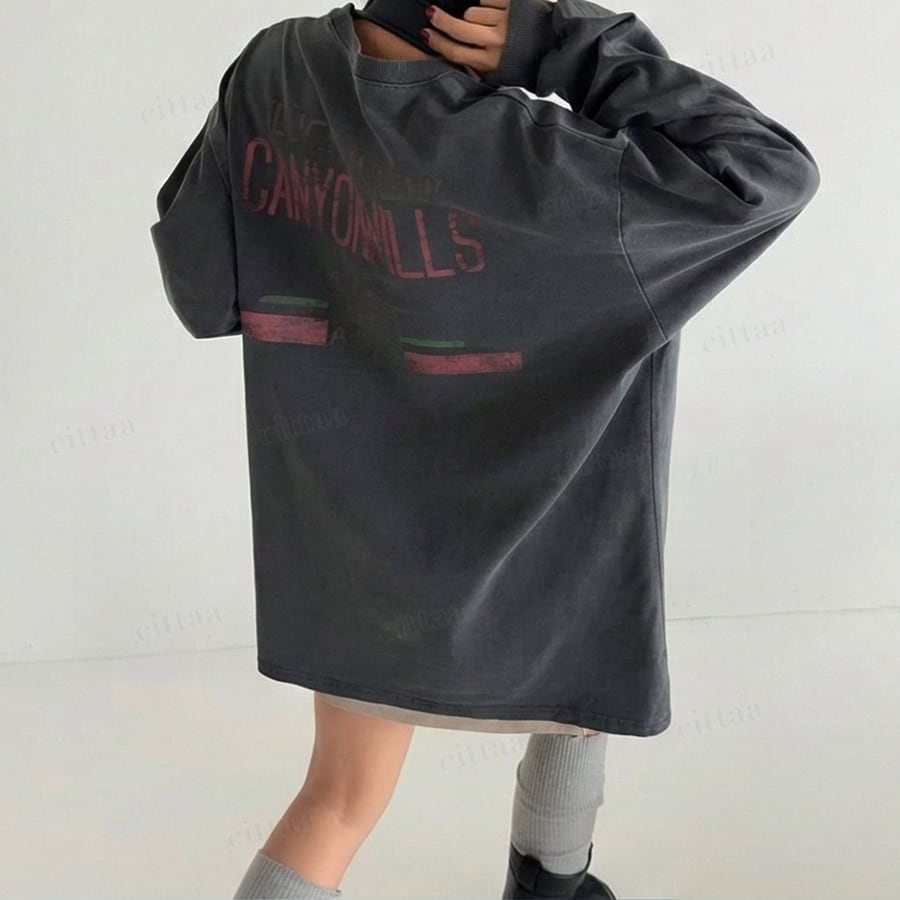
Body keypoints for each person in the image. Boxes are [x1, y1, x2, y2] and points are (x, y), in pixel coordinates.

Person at [148, 0, 820, 896]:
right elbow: (769, 172)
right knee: (582, 664)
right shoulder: (554, 166)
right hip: (550, 524)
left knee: (340, 799)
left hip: (352, 545)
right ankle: (549, 882)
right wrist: (568, 47)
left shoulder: (273, 70)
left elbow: (203, 291)